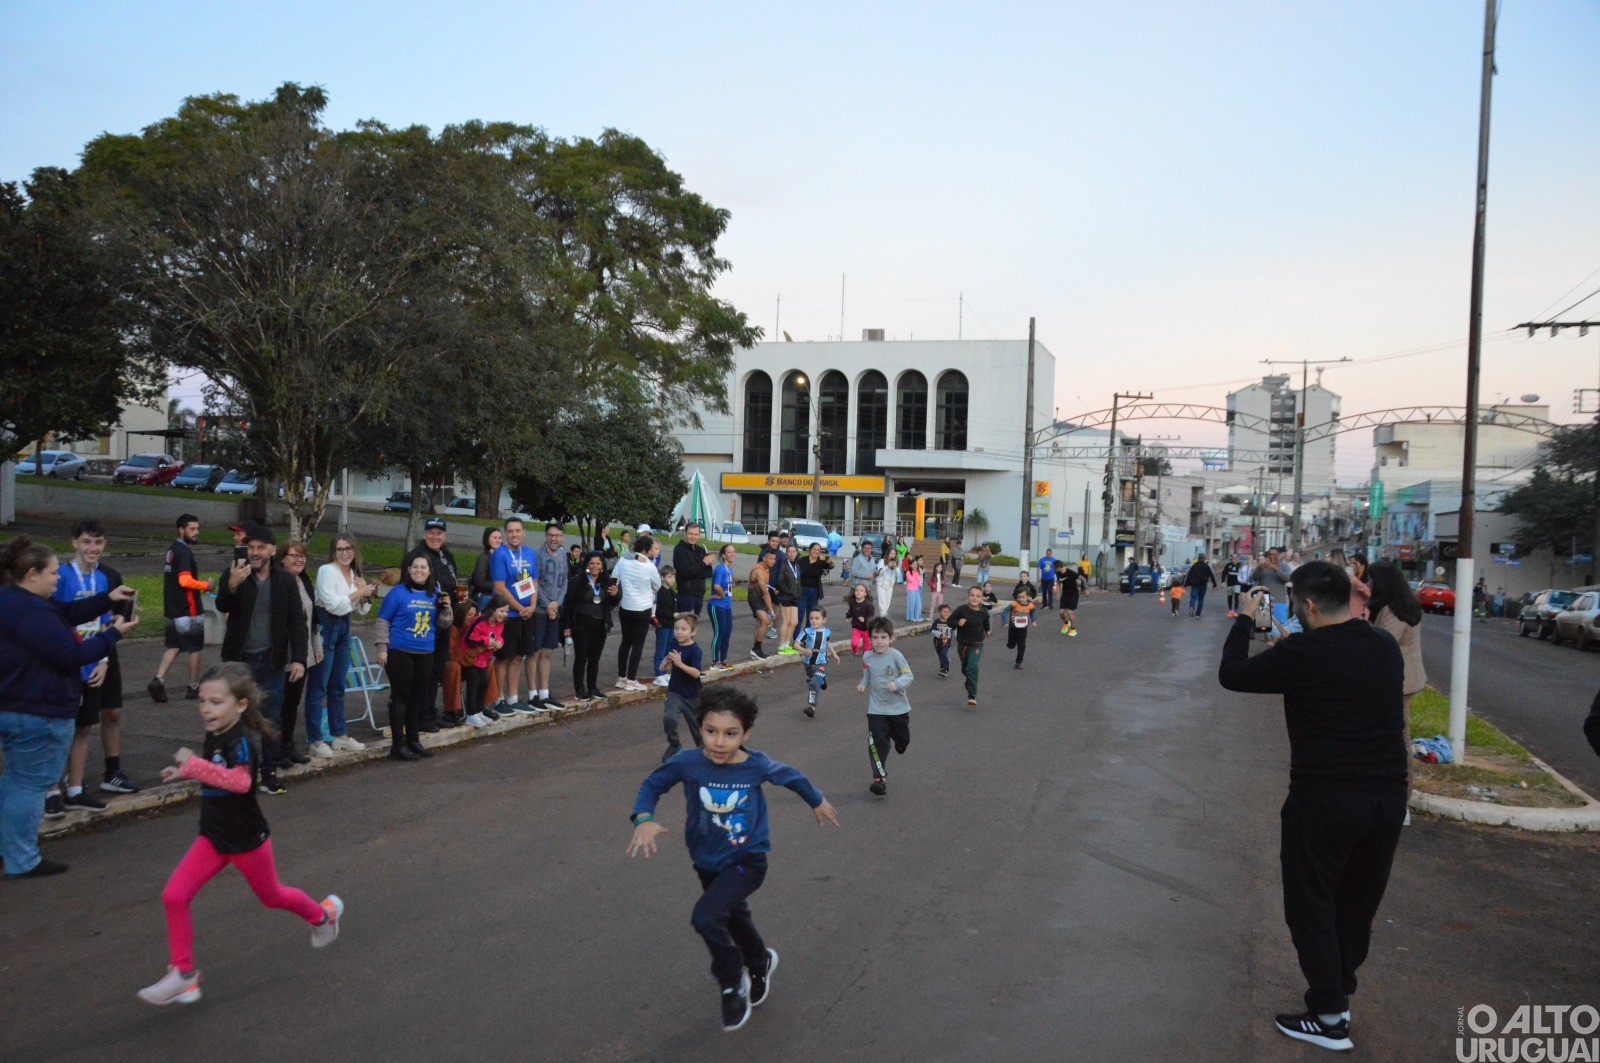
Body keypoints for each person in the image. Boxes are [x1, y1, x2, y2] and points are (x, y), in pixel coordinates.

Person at [1218, 562, 1407, 1052]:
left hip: (1324, 800)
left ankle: (1328, 1016)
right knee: (1356, 903)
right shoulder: (1383, 647)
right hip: (1386, 799)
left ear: (1306, 606)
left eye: (1295, 606)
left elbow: (1233, 675)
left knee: (1311, 903)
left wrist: (1245, 619)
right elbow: (1341, 677)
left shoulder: (1303, 651)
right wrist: (1294, 653)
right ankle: (1339, 994)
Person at [627, 686, 840, 1033]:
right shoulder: (688, 762)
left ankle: (730, 980)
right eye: (711, 732)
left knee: (706, 917)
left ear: (746, 734)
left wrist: (816, 800)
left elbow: (792, 777)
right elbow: (652, 785)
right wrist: (643, 818)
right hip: (706, 859)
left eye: (730, 734)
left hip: (747, 861)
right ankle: (760, 961)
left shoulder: (754, 765)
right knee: (732, 916)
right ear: (700, 729)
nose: (720, 742)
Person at [136, 663, 342, 1006]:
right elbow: (216, 772)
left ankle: (323, 916)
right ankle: (184, 976)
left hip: (247, 841)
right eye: (202, 701)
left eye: (216, 702)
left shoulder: (243, 742)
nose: (206, 709)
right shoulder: (215, 734)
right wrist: (186, 771)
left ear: (240, 705)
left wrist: (195, 765)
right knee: (174, 896)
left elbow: (241, 782)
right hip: (214, 837)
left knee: (272, 896)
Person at [1, 535, 136, 877]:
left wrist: (107, 597)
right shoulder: (33, 613)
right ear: (32, 574)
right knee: (28, 786)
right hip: (37, 710)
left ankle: (9, 850)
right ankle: (22, 859)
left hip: (16, 704)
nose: (58, 577)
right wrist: (113, 635)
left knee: (14, 782)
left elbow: (69, 612)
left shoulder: (15, 601)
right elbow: (70, 656)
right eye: (51, 572)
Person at [214, 520, 307, 796]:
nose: (254, 552)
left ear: (272, 550)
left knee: (271, 718)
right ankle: (237, 772)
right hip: (239, 660)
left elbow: (297, 622)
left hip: (271, 661)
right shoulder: (234, 573)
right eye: (250, 547)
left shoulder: (286, 581)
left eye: (260, 547)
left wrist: (299, 659)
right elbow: (221, 605)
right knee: (234, 719)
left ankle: (269, 773)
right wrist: (231, 585)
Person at [50, 518, 133, 813]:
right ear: (74, 542)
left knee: (84, 726)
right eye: (86, 542)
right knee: (60, 728)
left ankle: (75, 788)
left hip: (94, 660)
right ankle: (52, 791)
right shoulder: (59, 576)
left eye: (98, 542)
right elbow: (56, 619)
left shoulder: (104, 578)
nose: (92, 548)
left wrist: (102, 659)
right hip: (67, 661)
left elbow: (105, 622)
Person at [375, 554, 452, 761]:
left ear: (429, 572)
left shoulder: (435, 594)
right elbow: (383, 621)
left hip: (425, 652)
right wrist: (382, 648)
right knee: (401, 697)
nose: (419, 570)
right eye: (415, 567)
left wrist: (446, 607)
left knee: (419, 697)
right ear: (409, 570)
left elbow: (444, 623)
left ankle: (414, 740)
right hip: (400, 651)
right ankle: (398, 745)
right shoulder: (398, 593)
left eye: (423, 567)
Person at [304, 534, 373, 759]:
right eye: (339, 549)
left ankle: (339, 734)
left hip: (344, 629)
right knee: (318, 687)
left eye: (348, 549)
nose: (344, 553)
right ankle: (315, 739)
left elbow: (361, 610)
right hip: (325, 629)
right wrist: (358, 593)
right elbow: (333, 605)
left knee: (337, 687)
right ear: (333, 552)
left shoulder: (354, 574)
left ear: (354, 550)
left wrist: (364, 596)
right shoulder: (327, 571)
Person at [1366, 562, 1426, 760]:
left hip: (1401, 680)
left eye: (1371, 580)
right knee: (1399, 732)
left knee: (1401, 734)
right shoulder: (1401, 606)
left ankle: (1403, 782)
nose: (1368, 584)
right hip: (1406, 677)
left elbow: (1381, 643)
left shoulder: (1392, 612)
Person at [404, 517, 460, 730]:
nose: (435, 536)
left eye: (440, 533)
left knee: (436, 671)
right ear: (424, 534)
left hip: (444, 621)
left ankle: (429, 712)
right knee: (423, 673)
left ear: (445, 536)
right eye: (431, 532)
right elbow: (408, 589)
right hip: (424, 623)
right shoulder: (416, 557)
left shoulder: (446, 555)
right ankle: (420, 717)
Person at [150, 513, 210, 704]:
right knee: (195, 647)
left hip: (173, 608)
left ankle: (158, 679)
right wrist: (205, 586)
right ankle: (193, 686)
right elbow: (184, 580)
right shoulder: (184, 552)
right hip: (188, 609)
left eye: (197, 529)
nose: (196, 532)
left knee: (174, 645)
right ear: (181, 530)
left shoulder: (172, 550)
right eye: (192, 529)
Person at [274, 541, 323, 761]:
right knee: (278, 703)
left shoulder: (303, 582)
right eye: (294, 556)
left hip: (302, 653)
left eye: (302, 556)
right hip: (281, 654)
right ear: (282, 559)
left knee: (293, 703)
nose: (299, 560)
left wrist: (316, 647)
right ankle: (275, 749)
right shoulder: (277, 583)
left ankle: (288, 745)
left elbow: (311, 619)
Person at [858, 616, 914, 796]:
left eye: (883, 637)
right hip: (876, 710)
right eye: (875, 637)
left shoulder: (896, 655)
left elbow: (908, 676)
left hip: (898, 709)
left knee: (902, 740)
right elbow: (867, 673)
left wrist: (896, 684)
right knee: (876, 742)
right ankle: (879, 779)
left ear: (891, 638)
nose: (879, 641)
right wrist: (863, 683)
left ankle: (901, 742)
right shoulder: (867, 656)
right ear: (870, 638)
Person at [490, 517, 540, 715]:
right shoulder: (500, 554)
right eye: (510, 531)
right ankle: (498, 698)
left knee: (519, 656)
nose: (514, 534)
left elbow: (534, 581)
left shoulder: (529, 553)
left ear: (524, 532)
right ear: (506, 534)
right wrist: (520, 607)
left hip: (527, 614)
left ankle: (513, 697)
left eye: (518, 530)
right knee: (503, 657)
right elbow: (499, 587)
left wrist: (533, 605)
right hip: (508, 614)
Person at [562, 553, 619, 703]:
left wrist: (616, 594)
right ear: (587, 564)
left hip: (600, 624)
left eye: (598, 564)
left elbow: (612, 602)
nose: (595, 566)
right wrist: (567, 626)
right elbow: (568, 604)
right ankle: (579, 689)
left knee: (595, 658)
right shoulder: (578, 581)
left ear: (602, 566)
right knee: (581, 658)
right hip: (581, 624)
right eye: (592, 563)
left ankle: (592, 687)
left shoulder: (606, 581)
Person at [527, 522, 569, 712]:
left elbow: (564, 582)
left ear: (562, 537)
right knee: (534, 652)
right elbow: (534, 583)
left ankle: (544, 693)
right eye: (550, 535)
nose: (554, 538)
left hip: (554, 610)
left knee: (547, 652)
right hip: (539, 611)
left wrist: (557, 603)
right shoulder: (537, 555)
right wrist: (547, 604)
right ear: (546, 535)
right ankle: (532, 694)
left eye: (557, 535)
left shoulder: (562, 555)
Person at [614, 534, 662, 690]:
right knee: (638, 645)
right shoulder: (649, 566)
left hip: (625, 607)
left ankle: (621, 677)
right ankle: (632, 679)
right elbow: (658, 585)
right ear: (646, 550)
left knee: (625, 642)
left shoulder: (622, 561)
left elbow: (614, 578)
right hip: (643, 609)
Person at [659, 614, 704, 761]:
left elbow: (696, 673)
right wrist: (666, 660)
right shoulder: (673, 642)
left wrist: (680, 664)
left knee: (697, 730)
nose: (679, 632)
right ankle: (674, 744)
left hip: (692, 695)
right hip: (675, 691)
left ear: (693, 632)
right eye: (676, 628)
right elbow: (670, 655)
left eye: (683, 629)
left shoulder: (695, 650)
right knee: (669, 718)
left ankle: (704, 753)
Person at [462, 597, 508, 724]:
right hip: (470, 657)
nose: (504, 614)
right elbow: (469, 639)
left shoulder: (500, 625)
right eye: (501, 611)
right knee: (474, 681)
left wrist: (499, 643)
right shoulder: (479, 620)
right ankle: (471, 713)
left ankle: (479, 710)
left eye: (506, 612)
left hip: (483, 658)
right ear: (493, 610)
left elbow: (499, 637)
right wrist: (486, 641)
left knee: (483, 682)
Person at [793, 606, 840, 718]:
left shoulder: (827, 632)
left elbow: (827, 643)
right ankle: (822, 682)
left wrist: (834, 654)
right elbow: (795, 644)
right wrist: (804, 650)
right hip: (809, 665)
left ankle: (811, 707)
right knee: (814, 683)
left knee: (814, 682)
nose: (813, 621)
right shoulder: (806, 632)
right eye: (811, 618)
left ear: (824, 620)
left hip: (821, 663)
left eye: (817, 618)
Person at [950, 585, 990, 706]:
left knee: (972, 667)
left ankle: (972, 694)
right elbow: (950, 621)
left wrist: (988, 631)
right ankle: (970, 681)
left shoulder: (984, 612)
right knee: (965, 669)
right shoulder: (961, 609)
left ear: (981, 599)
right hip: (963, 644)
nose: (974, 598)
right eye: (972, 595)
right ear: (968, 597)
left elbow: (986, 622)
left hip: (977, 644)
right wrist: (958, 623)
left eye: (978, 596)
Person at [672, 522, 713, 617]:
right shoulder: (679, 550)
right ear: (685, 534)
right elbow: (685, 573)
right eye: (690, 534)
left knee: (693, 628)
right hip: (686, 596)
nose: (693, 537)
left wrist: (695, 570)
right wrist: (703, 563)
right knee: (684, 627)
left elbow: (709, 572)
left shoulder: (701, 550)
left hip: (699, 595)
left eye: (696, 534)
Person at [707, 544, 736, 671]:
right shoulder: (720, 568)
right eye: (729, 552)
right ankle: (715, 661)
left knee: (727, 632)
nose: (732, 554)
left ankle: (723, 660)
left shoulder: (730, 570)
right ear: (723, 555)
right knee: (719, 632)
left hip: (726, 606)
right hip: (717, 606)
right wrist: (721, 594)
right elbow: (717, 586)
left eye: (733, 552)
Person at [746, 548, 777, 662]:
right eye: (770, 558)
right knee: (766, 621)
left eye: (774, 559)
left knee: (760, 624)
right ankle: (756, 648)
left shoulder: (767, 569)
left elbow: (766, 589)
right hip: (754, 598)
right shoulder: (759, 570)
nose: (773, 561)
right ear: (764, 559)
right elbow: (765, 592)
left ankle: (756, 651)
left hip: (759, 597)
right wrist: (771, 610)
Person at [652, 567, 680, 687]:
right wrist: (672, 614)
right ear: (662, 578)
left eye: (673, 576)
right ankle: (658, 674)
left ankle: (664, 672)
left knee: (668, 650)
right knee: (661, 650)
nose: (672, 579)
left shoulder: (672, 592)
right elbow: (659, 611)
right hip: (663, 625)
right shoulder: (660, 592)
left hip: (671, 625)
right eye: (669, 576)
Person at [772, 545, 802, 655]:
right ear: (786, 553)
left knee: (794, 622)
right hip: (786, 596)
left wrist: (798, 592)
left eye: (794, 551)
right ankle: (781, 645)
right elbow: (780, 581)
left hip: (795, 597)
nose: (792, 553)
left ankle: (787, 644)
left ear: (797, 553)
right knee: (786, 621)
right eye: (789, 551)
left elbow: (798, 580)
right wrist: (787, 590)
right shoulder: (783, 565)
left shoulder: (797, 566)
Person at [796, 542, 831, 623]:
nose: (816, 551)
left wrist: (830, 561)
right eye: (814, 549)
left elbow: (830, 566)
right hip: (802, 590)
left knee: (812, 615)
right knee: (799, 614)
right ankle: (797, 635)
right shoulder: (802, 560)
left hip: (814, 592)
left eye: (818, 550)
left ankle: (809, 634)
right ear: (810, 550)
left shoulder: (821, 562)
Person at [469, 526, 502, 611]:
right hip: (486, 598)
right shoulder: (484, 557)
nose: (498, 540)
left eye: (500, 538)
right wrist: (499, 587)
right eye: (494, 538)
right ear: (487, 539)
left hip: (498, 597)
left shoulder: (501, 557)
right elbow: (479, 582)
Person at [1007, 587, 1036, 668]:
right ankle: (1012, 643)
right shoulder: (1014, 604)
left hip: (1023, 627)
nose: (1021, 599)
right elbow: (1005, 611)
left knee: (1022, 645)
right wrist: (1004, 621)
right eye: (1019, 597)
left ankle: (1018, 662)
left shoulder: (1031, 606)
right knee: (1011, 645)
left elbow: (1032, 614)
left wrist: (1034, 621)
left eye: (1023, 597)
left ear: (1028, 597)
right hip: (1013, 626)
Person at [845, 582, 875, 656]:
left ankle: (865, 666)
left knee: (866, 650)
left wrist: (865, 619)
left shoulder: (868, 604)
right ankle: (855, 651)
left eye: (861, 590)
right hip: (856, 627)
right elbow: (850, 611)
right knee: (854, 643)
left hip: (866, 629)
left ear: (865, 593)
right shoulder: (852, 603)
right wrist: (848, 617)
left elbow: (871, 616)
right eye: (856, 590)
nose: (858, 592)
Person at [1057, 561, 1083, 637]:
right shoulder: (1058, 573)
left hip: (1073, 594)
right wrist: (1058, 593)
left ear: (1058, 567)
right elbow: (1058, 582)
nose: (1054, 569)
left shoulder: (1071, 573)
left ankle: (1073, 629)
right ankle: (1066, 623)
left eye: (1055, 568)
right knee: (1061, 612)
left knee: (1069, 612)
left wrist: (1085, 589)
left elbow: (1083, 578)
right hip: (1065, 594)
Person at [930, 603, 954, 676]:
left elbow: (955, 630)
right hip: (937, 642)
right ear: (939, 613)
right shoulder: (937, 621)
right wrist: (940, 635)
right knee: (941, 655)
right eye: (944, 611)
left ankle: (945, 669)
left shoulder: (951, 621)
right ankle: (943, 667)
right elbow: (932, 631)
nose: (946, 613)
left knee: (943, 654)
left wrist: (959, 637)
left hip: (946, 642)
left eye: (948, 612)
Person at [873, 548, 896, 619]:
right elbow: (879, 572)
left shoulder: (895, 563)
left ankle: (883, 621)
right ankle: (883, 622)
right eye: (891, 553)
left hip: (890, 585)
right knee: (882, 605)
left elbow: (898, 575)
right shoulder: (882, 561)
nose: (892, 555)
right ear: (887, 554)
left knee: (887, 605)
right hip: (881, 584)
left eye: (894, 554)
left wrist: (895, 568)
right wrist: (887, 566)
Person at [903, 556, 924, 622]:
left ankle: (917, 616)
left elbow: (918, 580)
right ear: (910, 565)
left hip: (916, 589)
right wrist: (915, 574)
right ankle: (911, 617)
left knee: (918, 603)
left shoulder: (916, 572)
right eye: (914, 564)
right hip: (911, 590)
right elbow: (911, 580)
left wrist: (916, 573)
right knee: (911, 604)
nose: (915, 565)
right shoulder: (908, 572)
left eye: (916, 564)